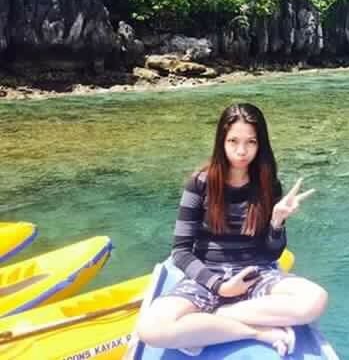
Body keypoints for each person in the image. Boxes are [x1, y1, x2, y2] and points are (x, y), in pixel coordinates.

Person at [136, 103, 328, 357]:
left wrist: (277, 222)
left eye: (251, 142)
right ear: (221, 142)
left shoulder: (268, 184)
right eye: (233, 141)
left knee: (315, 299)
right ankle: (256, 331)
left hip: (254, 273)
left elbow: (271, 255)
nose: (241, 151)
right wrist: (219, 286)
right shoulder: (200, 183)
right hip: (208, 276)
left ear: (260, 145)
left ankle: (212, 321)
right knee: (150, 329)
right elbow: (181, 252)